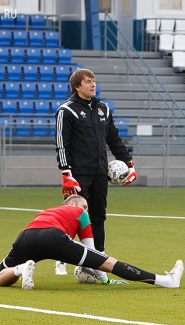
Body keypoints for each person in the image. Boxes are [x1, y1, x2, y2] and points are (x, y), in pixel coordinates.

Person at [0, 195, 184, 290]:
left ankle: (21, 269)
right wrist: (104, 279)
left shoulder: (47, 211)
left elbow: (37, 232)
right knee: (108, 262)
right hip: (54, 237)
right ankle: (167, 281)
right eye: (84, 205)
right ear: (71, 204)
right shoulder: (80, 213)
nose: (86, 210)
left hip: (25, 235)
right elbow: (93, 253)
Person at [54, 68, 137, 275]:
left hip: (100, 171)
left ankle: (98, 258)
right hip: (77, 174)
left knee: (98, 216)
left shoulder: (103, 109)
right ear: (77, 86)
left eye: (94, 80)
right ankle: (60, 259)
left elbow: (114, 139)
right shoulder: (67, 110)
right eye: (88, 81)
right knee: (72, 216)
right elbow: (61, 145)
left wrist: (129, 163)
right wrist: (66, 173)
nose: (93, 84)